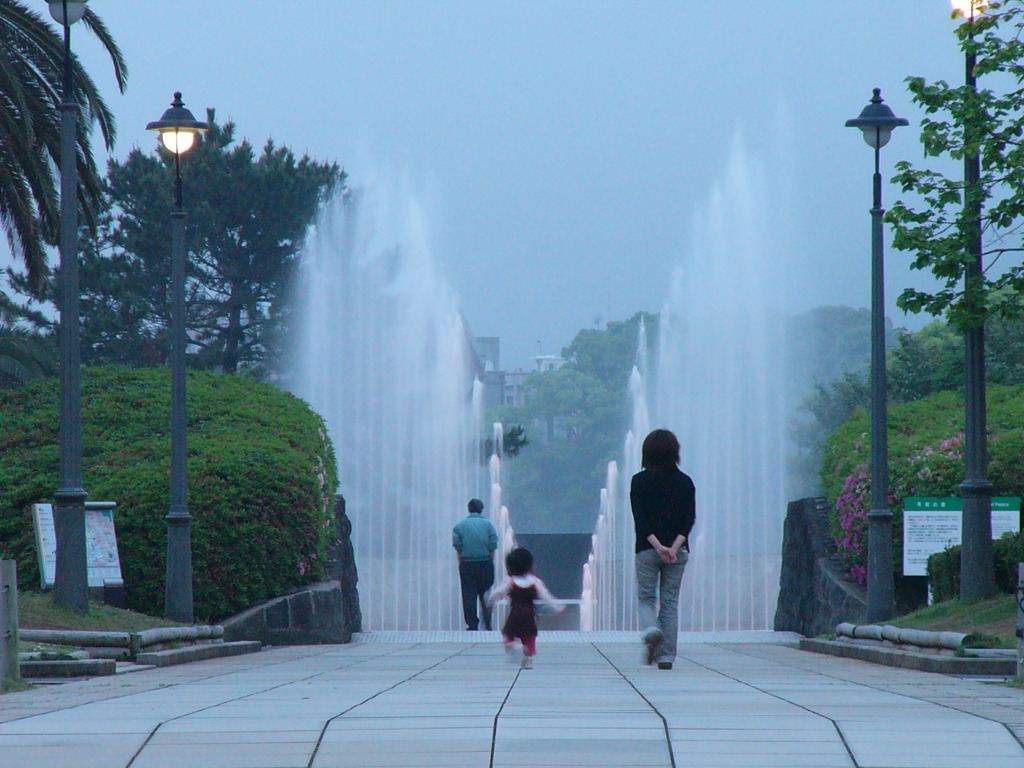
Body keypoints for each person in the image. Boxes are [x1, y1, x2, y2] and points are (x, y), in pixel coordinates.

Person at [631, 428, 695, 670]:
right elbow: (688, 520)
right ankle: (666, 655)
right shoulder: (685, 482)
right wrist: (673, 548)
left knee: (646, 598)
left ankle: (651, 630)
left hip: (647, 550)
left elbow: (641, 520)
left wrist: (658, 546)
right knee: (669, 602)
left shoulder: (639, 481)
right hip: (677, 552)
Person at [487, 547, 562, 668]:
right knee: (529, 637)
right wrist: (558, 607)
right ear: (530, 565)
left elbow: (498, 592)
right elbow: (546, 597)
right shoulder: (535, 581)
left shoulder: (511, 581)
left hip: (515, 614)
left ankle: (514, 646)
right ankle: (528, 658)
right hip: (530, 616)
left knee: (508, 634)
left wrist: (490, 600)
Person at [452, 498, 498, 630]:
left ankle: (472, 625)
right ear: (481, 509)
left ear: (469, 509)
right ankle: (488, 622)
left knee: (468, 595)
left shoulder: (460, 526)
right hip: (485, 563)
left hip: (467, 564)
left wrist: (461, 564)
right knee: (486, 594)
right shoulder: (488, 525)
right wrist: (490, 563)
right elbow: (492, 546)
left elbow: (458, 547)